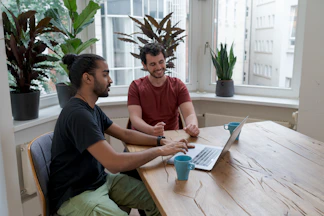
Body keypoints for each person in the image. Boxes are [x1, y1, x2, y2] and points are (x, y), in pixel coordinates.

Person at [48, 53, 192, 216]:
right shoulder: (78, 115)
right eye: (105, 74)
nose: (110, 80)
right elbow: (114, 163)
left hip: (100, 181)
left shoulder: (92, 108)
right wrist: (160, 151)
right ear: (87, 78)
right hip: (76, 195)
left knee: (160, 201)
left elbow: (125, 134)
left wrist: (161, 141)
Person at [128, 42, 200, 137]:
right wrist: (152, 130)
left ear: (165, 60)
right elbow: (135, 118)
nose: (158, 67)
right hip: (144, 137)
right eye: (153, 64)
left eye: (161, 62)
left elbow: (189, 114)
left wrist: (192, 126)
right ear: (144, 65)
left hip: (172, 138)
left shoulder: (178, 85)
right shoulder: (136, 86)